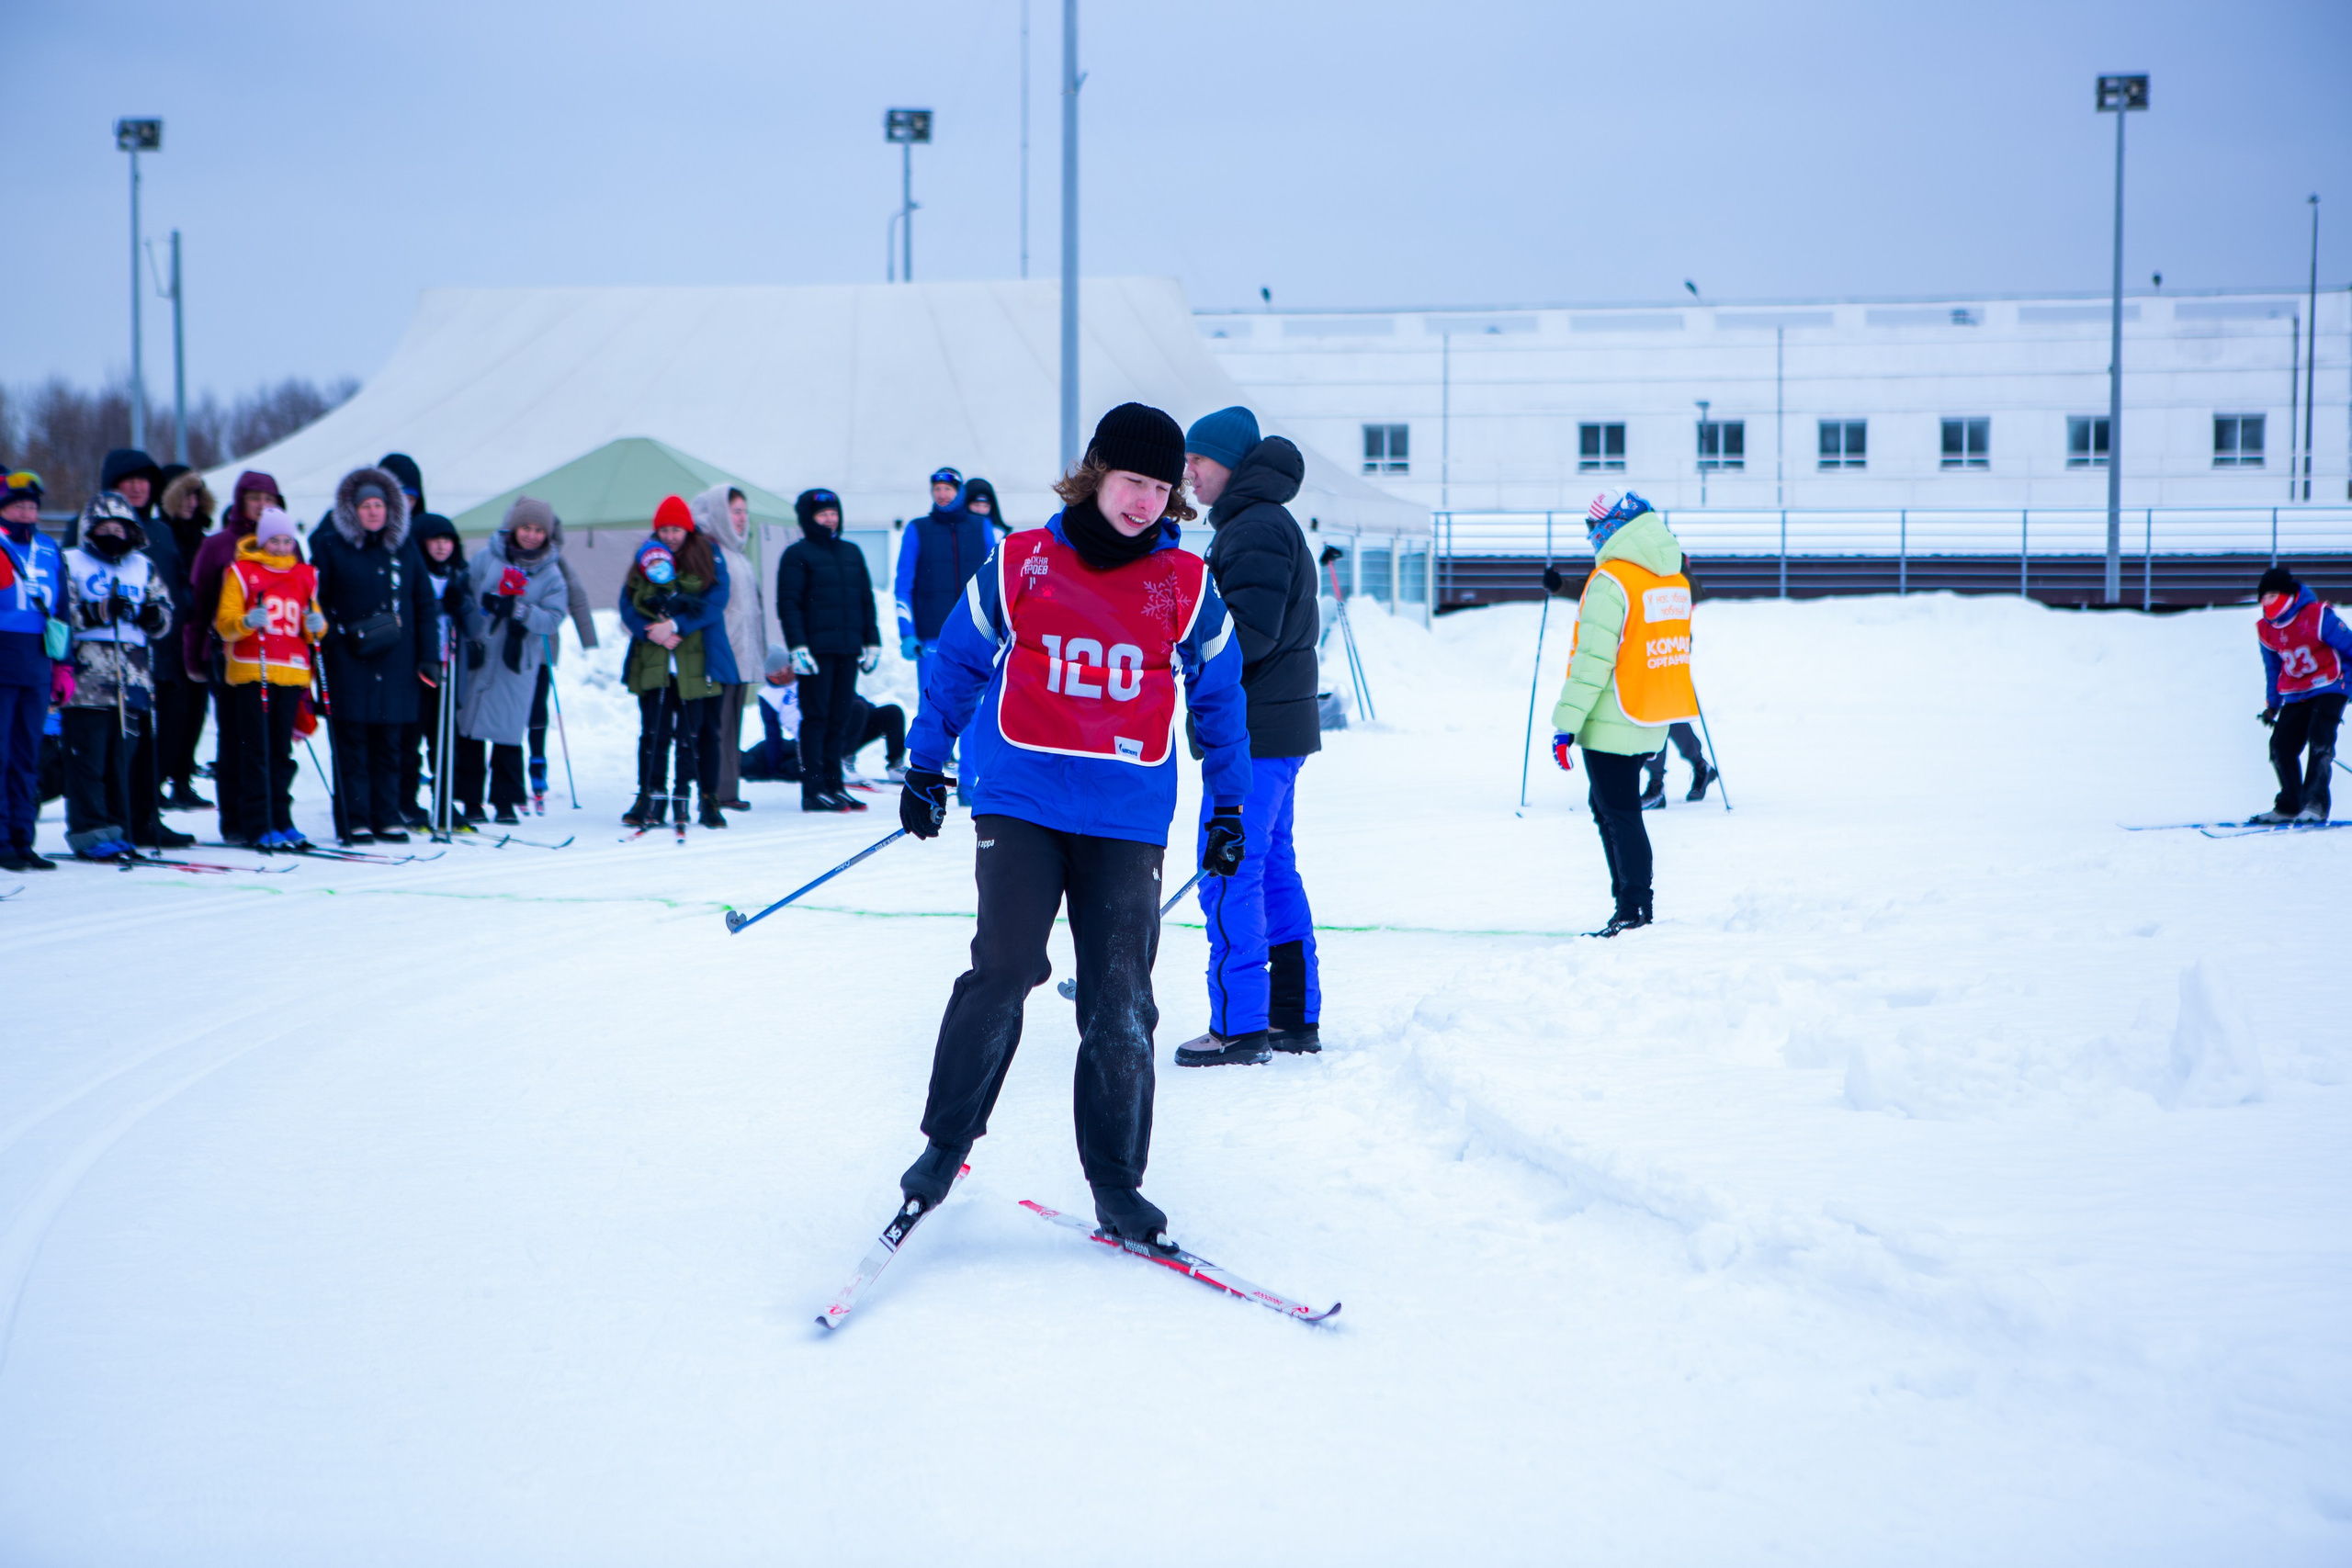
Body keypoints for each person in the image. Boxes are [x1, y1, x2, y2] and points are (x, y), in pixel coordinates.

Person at [893, 402, 1252, 1247]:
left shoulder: (1186, 585)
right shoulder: (1021, 561)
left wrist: (1228, 803)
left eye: (1163, 487)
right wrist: (924, 761)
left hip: (1127, 814)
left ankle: (1117, 1184)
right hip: (1022, 799)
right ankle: (943, 1151)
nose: (1146, 500)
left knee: (1121, 1000)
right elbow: (957, 660)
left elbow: (1221, 700)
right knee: (1005, 967)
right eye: (1133, 480)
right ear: (1096, 472)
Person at [1170, 405, 1326, 1066]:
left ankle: (1239, 1024)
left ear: (1228, 464)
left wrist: (1182, 650)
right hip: (1275, 727)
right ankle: (1293, 1014)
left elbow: (1247, 634)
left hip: (1255, 732)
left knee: (1228, 869)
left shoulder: (1255, 527)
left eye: (1196, 462)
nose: (1187, 475)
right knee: (1270, 868)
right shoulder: (1257, 522)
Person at [1549, 491, 1696, 937]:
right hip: (1652, 712)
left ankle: (1632, 909)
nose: (1591, 537)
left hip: (1611, 718)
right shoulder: (1670, 577)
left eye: (1593, 528)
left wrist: (1566, 725)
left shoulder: (1611, 580)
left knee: (1619, 813)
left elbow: (1592, 661)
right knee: (1614, 809)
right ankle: (1630, 905)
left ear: (1611, 527)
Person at [311, 466, 436, 846]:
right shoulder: (331, 545)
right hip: (349, 660)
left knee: (390, 744)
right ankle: (356, 818)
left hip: (397, 660)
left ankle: (387, 816)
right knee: (353, 744)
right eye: (365, 505)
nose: (373, 512)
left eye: (379, 505)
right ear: (352, 509)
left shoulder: (405, 546)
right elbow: (318, 600)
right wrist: (336, 639)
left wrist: (428, 656)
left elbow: (424, 602)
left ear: (390, 508)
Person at [58, 492, 175, 859]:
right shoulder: (71, 562)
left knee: (121, 759)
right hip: (88, 680)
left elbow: (164, 610)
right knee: (88, 759)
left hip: (133, 678)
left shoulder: (143, 566)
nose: (113, 534)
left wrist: (152, 616)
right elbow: (61, 611)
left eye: (120, 528)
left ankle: (118, 825)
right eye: (105, 528)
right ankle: (89, 830)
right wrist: (98, 610)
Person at [619, 494, 737, 829]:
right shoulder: (645, 556)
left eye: (677, 529)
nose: (671, 536)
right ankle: (649, 796)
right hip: (656, 658)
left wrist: (676, 625)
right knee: (653, 732)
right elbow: (627, 601)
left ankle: (703, 797)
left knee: (698, 733)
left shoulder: (708, 554)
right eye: (665, 529)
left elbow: (717, 600)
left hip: (699, 660)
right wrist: (650, 630)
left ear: (687, 528)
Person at [454, 497, 572, 825]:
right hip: (480, 655)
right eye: (526, 528)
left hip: (516, 663)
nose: (532, 535)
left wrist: (519, 611)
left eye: (538, 530)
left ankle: (505, 802)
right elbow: (465, 591)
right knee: (471, 731)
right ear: (513, 527)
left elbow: (552, 618)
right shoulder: (488, 557)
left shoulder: (551, 573)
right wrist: (477, 610)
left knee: (507, 734)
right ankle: (471, 802)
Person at [212, 508, 324, 850]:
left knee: (280, 752)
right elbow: (224, 622)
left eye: (286, 540)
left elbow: (312, 620)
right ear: (263, 540)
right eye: (274, 540)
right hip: (252, 670)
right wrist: (246, 621)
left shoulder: (305, 574)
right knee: (256, 750)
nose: (280, 547)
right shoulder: (242, 572)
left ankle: (282, 818)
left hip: (290, 672)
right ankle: (257, 823)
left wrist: (318, 625)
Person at [187, 471, 285, 845]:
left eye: (268, 499)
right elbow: (199, 607)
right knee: (234, 740)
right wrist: (195, 656)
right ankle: (235, 821)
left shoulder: (286, 546)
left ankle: (271, 815)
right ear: (241, 501)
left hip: (276, 660)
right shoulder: (219, 546)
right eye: (254, 498)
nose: (262, 506)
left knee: (272, 742)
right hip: (228, 658)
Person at [777, 488, 882, 813]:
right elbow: (789, 605)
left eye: (833, 513)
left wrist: (872, 639)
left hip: (848, 648)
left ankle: (835, 785)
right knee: (816, 718)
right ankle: (814, 788)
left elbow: (865, 598)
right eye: (822, 514)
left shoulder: (851, 552)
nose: (829, 519)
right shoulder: (797, 554)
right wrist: (797, 646)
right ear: (808, 517)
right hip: (816, 652)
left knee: (839, 717)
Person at [0, 469, 66, 871]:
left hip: (39, 657)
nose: (26, 513)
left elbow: (63, 609)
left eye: (31, 506)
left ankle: (24, 838)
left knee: (29, 755)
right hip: (4, 654)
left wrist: (65, 665)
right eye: (17, 505)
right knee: (1, 754)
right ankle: (2, 838)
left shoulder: (49, 548)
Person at [2251, 566, 2351, 824]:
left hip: (2332, 684)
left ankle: (2315, 804)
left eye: (2272, 595)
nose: (2266, 601)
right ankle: (2289, 805)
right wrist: (2272, 705)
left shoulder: (2316, 616)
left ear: (2287, 594)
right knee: (2280, 746)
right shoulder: (2266, 629)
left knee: (2320, 740)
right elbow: (2273, 669)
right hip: (2297, 692)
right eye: (2263, 597)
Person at [692, 484, 767, 814]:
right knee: (717, 725)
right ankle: (715, 790)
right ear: (720, 512)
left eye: (744, 512)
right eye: (735, 511)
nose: (741, 519)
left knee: (733, 723)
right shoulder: (707, 549)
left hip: (741, 650)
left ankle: (728, 788)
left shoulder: (736, 553)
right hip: (721, 651)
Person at [739, 645, 907, 784]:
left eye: (788, 672)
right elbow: (773, 733)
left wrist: (870, 712)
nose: (786, 678)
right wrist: (774, 770)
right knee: (857, 708)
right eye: (779, 677)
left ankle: (894, 765)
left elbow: (844, 696)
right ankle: (838, 762)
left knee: (891, 712)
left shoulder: (807, 675)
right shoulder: (768, 695)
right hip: (812, 743)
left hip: (837, 730)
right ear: (768, 676)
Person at [525, 513, 598, 814]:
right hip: (510, 646)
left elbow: (577, 598)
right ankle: (510, 767)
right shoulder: (507, 556)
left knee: (537, 703)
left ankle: (537, 761)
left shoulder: (557, 563)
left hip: (543, 642)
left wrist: (588, 637)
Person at [153, 468, 217, 810]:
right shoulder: (160, 536)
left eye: (197, 496)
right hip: (169, 638)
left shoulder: (202, 538)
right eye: (185, 495)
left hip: (199, 637)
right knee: (170, 716)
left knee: (195, 712)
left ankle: (182, 778)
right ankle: (158, 778)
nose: (191, 503)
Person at [400, 513, 468, 827]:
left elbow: (475, 626)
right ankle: (407, 802)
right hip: (419, 669)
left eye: (447, 540)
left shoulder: (459, 575)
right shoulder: (414, 573)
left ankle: (445, 801)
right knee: (411, 738)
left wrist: (462, 605)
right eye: (435, 540)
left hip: (449, 667)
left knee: (444, 739)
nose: (442, 547)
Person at [894, 467, 989, 671]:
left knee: (975, 702)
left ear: (959, 492)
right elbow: (903, 584)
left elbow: (996, 580)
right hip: (932, 635)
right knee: (933, 700)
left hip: (975, 633)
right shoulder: (917, 529)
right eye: (937, 489)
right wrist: (907, 633)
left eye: (947, 488)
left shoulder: (981, 526)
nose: (942, 494)